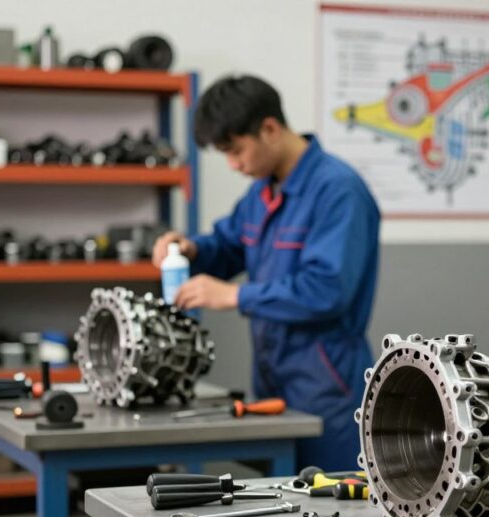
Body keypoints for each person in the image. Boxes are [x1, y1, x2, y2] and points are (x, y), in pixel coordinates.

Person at [152, 75, 380, 472]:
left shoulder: (338, 191)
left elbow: (327, 290)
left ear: (270, 129)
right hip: (274, 384)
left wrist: (234, 296)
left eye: (236, 150)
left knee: (335, 513)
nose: (233, 164)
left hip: (329, 391)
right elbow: (228, 245)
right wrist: (191, 249)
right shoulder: (261, 193)